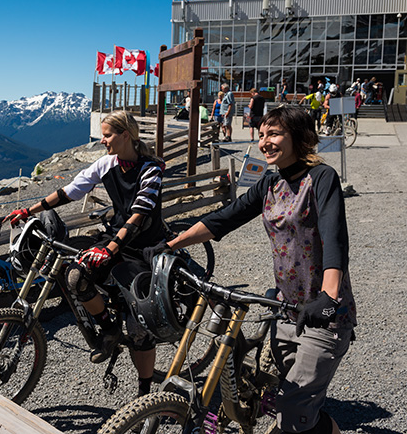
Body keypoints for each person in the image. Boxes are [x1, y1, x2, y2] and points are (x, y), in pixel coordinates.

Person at [144, 105, 356, 434]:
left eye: (274, 133)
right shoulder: (270, 184)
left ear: (298, 137)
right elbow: (223, 219)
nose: (265, 142)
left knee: (290, 407)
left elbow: (334, 237)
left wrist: (328, 295)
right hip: (285, 310)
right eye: (261, 135)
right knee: (289, 401)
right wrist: (172, 244)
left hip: (324, 314)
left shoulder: (321, 178)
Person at [4, 110, 166, 398]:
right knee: (75, 275)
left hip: (144, 247)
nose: (103, 140)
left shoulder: (151, 169)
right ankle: (108, 329)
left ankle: (145, 395)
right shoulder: (107, 164)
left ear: (125, 135)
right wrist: (28, 211)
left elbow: (140, 214)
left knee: (138, 324)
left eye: (107, 135)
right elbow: (70, 192)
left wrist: (111, 249)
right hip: (114, 237)